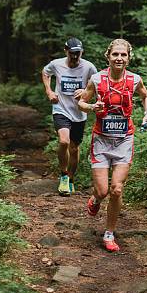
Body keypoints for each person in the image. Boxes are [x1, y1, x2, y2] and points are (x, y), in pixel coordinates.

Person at [77, 38, 147, 252]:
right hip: (101, 141)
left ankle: (109, 233)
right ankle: (95, 199)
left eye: (123, 55)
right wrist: (93, 107)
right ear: (108, 56)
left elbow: (146, 97)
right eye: (115, 54)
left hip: (124, 141)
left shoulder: (135, 79)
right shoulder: (97, 79)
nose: (119, 58)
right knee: (102, 191)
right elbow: (81, 102)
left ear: (129, 58)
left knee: (117, 189)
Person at [42, 37, 97, 196]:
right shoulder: (56, 64)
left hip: (79, 112)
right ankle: (64, 175)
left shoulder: (89, 67)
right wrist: (49, 91)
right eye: (72, 53)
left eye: (78, 53)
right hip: (61, 109)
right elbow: (45, 73)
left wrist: (86, 92)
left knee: (74, 148)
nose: (74, 56)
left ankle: (71, 179)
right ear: (66, 51)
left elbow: (98, 85)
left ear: (82, 52)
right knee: (64, 141)